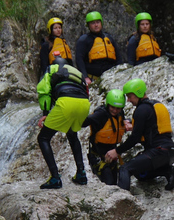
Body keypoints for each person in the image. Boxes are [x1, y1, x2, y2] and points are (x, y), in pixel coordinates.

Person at [104, 79, 174, 192]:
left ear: (138, 93)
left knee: (125, 169)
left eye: (130, 96)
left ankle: (122, 198)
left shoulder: (141, 110)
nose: (128, 100)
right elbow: (153, 128)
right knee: (140, 174)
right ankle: (168, 171)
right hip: (169, 152)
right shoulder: (156, 104)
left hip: (157, 152)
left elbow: (135, 138)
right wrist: (133, 127)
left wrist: (117, 151)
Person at [36, 56, 90, 189]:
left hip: (66, 102)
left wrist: (45, 114)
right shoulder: (76, 72)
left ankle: (55, 178)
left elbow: (44, 90)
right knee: (72, 135)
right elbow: (86, 89)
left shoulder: (51, 69)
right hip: (84, 104)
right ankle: (81, 174)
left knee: (43, 138)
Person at [82, 89, 130, 185]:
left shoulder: (120, 114)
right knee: (109, 182)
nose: (115, 110)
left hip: (112, 155)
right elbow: (84, 122)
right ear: (108, 104)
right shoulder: (101, 114)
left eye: (118, 108)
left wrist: (127, 121)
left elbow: (120, 122)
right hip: (98, 156)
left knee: (116, 183)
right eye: (113, 107)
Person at [74, 11, 122, 85]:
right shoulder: (84, 40)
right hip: (93, 78)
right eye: (93, 23)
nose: (96, 25)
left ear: (101, 23)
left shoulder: (109, 38)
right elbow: (79, 60)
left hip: (111, 76)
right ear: (88, 25)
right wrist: (85, 77)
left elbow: (118, 57)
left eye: (98, 22)